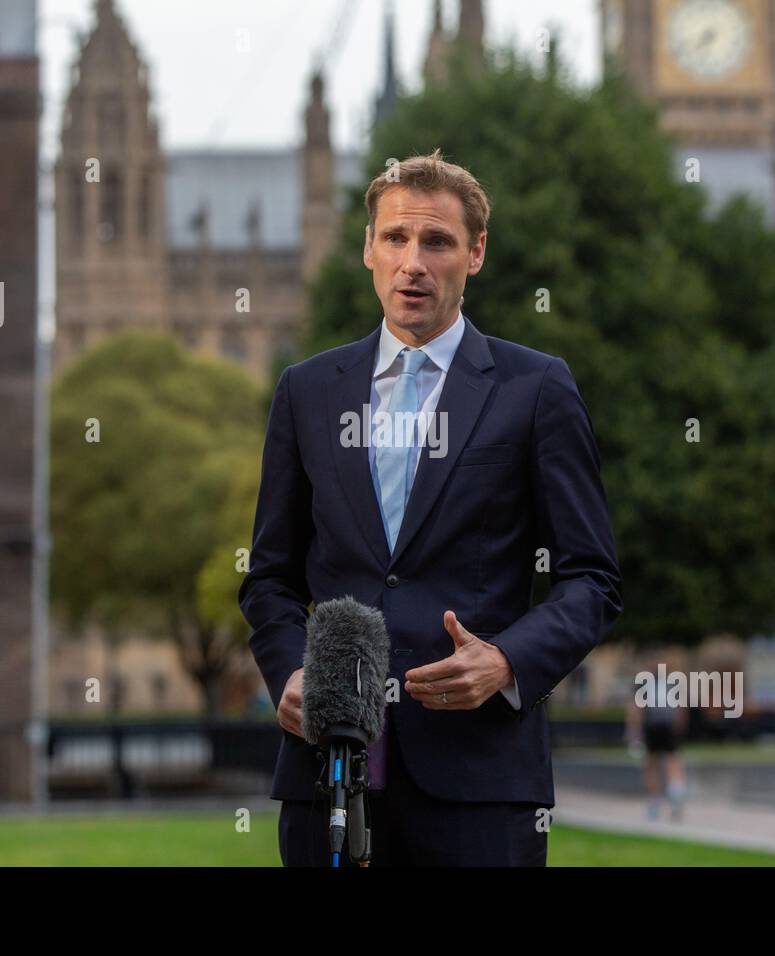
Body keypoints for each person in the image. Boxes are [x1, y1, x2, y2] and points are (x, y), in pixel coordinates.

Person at [238, 149, 623, 866]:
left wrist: (507, 660)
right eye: (395, 239)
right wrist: (291, 673)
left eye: (437, 242)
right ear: (368, 249)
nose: (413, 262)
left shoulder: (535, 388)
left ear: (475, 253)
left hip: (480, 786)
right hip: (328, 776)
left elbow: (593, 578)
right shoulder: (308, 391)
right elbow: (269, 579)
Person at [624, 651, 688, 822]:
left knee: (650, 764)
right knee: (673, 761)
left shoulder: (643, 682)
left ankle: (654, 802)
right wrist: (679, 728)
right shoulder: (673, 681)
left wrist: (633, 732)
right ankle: (676, 792)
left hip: (651, 725)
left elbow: (635, 709)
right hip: (669, 725)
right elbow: (682, 708)